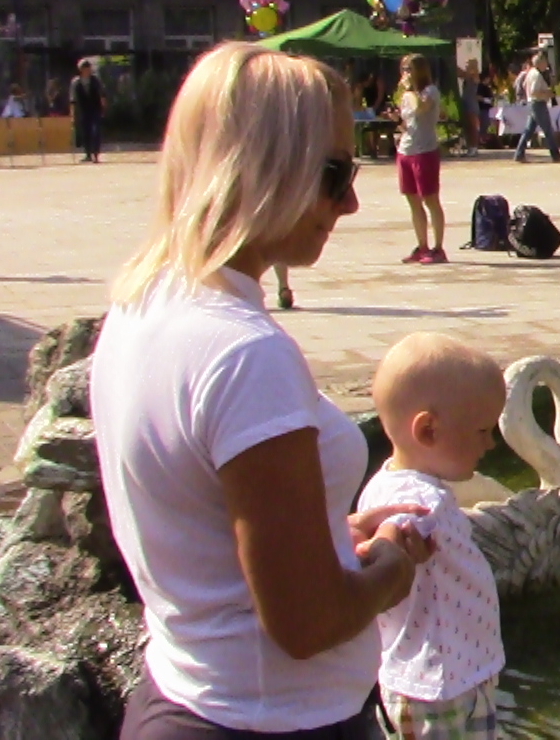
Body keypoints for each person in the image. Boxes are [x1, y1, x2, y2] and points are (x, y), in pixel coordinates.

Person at [90, 42, 434, 739]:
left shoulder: (140, 307)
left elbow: (207, 533)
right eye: (334, 174)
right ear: (264, 167)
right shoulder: (247, 354)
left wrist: (328, 538)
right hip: (274, 720)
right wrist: (395, 566)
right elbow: (307, 624)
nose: (352, 202)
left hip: (183, 694)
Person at [360, 334, 507, 740]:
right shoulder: (419, 500)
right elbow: (404, 528)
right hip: (443, 683)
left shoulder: (385, 482)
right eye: (482, 430)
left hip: (436, 675)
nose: (490, 443)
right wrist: (387, 540)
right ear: (428, 430)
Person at [394, 54, 448, 264]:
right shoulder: (406, 95)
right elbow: (407, 121)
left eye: (408, 69)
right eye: (403, 69)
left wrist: (411, 90)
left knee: (430, 199)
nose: (405, 73)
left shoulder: (429, 91)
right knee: (412, 199)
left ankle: (438, 248)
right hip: (406, 150)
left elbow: (421, 108)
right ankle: (422, 245)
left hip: (425, 150)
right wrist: (397, 122)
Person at [512, 53, 560, 164]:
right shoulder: (536, 75)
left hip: (533, 103)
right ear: (540, 62)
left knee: (529, 130)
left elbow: (525, 86)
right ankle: (556, 155)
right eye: (545, 61)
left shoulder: (530, 73)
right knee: (548, 130)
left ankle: (519, 154)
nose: (546, 64)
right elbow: (534, 91)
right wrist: (548, 92)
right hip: (538, 103)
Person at [69, 58, 108, 163]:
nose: (88, 70)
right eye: (85, 68)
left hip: (95, 109)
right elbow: (72, 100)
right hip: (83, 110)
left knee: (96, 131)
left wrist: (103, 108)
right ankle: (87, 154)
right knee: (85, 132)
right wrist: (72, 115)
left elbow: (102, 95)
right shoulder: (76, 82)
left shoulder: (96, 80)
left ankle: (96, 154)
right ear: (81, 69)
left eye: (89, 68)